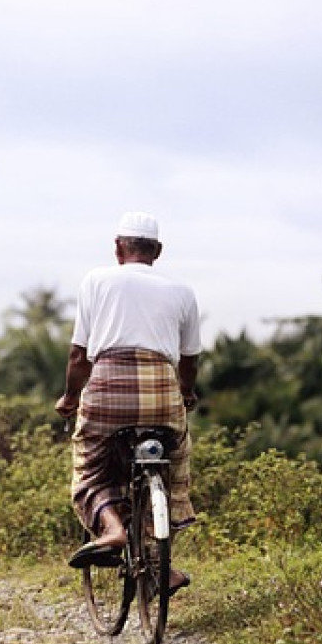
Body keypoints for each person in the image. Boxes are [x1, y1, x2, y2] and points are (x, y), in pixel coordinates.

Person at [55, 211, 201, 593]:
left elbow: (78, 355)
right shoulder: (183, 291)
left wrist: (71, 397)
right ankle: (159, 561)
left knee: (90, 464)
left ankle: (113, 528)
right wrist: (185, 394)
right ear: (158, 251)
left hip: (107, 389)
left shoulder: (96, 280)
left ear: (118, 248)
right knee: (173, 461)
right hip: (161, 392)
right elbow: (189, 359)